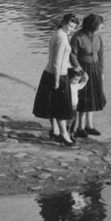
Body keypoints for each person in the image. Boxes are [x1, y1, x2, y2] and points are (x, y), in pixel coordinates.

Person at [33, 13, 81, 145]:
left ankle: (55, 131)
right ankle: (64, 136)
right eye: (71, 26)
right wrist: (56, 80)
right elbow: (57, 61)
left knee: (53, 106)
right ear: (64, 23)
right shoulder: (61, 37)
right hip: (58, 75)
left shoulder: (57, 34)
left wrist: (71, 67)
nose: (72, 29)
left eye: (74, 27)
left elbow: (57, 59)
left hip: (52, 73)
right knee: (61, 108)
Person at [71, 13, 107, 138]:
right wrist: (80, 71)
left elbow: (101, 54)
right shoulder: (78, 37)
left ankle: (89, 125)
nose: (100, 29)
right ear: (93, 26)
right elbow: (72, 55)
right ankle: (80, 128)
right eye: (99, 27)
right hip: (83, 68)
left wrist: (101, 71)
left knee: (92, 97)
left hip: (95, 67)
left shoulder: (98, 36)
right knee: (83, 98)